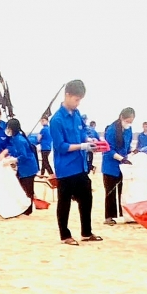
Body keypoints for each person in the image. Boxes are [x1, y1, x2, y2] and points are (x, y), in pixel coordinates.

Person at [49, 80, 102, 246]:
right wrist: (82, 146)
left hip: (80, 165)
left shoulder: (77, 114)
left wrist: (89, 141)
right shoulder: (56, 120)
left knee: (87, 198)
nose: (78, 103)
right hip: (65, 168)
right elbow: (61, 146)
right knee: (64, 202)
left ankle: (86, 232)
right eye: (76, 99)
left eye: (80, 100)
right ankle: (65, 235)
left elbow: (82, 134)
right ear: (67, 95)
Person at [102, 107, 135, 224]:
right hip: (110, 165)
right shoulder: (111, 130)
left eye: (131, 122)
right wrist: (121, 158)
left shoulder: (129, 130)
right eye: (128, 121)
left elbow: (127, 146)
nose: (129, 124)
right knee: (110, 192)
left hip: (123, 167)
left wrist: (132, 152)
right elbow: (108, 149)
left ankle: (124, 215)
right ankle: (109, 217)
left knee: (123, 191)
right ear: (122, 117)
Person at [4, 117, 40, 215]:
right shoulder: (15, 138)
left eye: (8, 128)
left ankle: (28, 210)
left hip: (28, 167)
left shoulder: (19, 140)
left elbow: (23, 156)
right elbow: (17, 152)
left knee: (28, 190)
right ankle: (25, 208)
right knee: (22, 187)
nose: (7, 130)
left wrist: (14, 160)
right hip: (24, 167)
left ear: (12, 129)